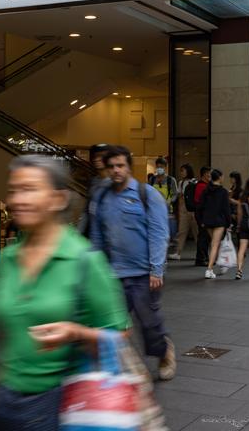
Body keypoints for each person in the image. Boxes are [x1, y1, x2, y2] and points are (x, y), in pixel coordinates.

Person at [0, 155, 131, 429]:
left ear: (58, 198)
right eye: (14, 190)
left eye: (29, 189)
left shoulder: (85, 261)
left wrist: (75, 333)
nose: (17, 199)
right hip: (5, 398)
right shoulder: (6, 259)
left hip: (59, 403)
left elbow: (120, 333)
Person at [89, 145, 176, 381]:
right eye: (112, 167)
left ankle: (164, 351)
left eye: (120, 165)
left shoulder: (147, 195)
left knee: (149, 323)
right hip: (112, 274)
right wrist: (95, 270)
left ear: (129, 167)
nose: (116, 170)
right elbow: (97, 236)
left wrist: (156, 269)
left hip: (144, 273)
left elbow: (159, 234)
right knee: (113, 324)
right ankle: (129, 367)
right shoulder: (101, 196)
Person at [197, 169, 231, 279]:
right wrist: (229, 222)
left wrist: (201, 221)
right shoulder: (223, 192)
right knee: (215, 244)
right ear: (220, 177)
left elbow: (200, 207)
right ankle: (210, 269)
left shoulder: (206, 190)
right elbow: (226, 209)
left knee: (215, 244)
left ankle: (220, 264)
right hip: (219, 221)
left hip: (207, 221)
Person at [78, 143, 110, 236]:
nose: (97, 159)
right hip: (92, 232)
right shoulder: (94, 182)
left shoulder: (116, 183)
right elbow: (87, 210)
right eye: (95, 156)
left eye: (101, 156)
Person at [149, 157, 179, 253]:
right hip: (154, 211)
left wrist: (169, 201)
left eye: (161, 167)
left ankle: (165, 252)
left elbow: (175, 194)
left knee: (168, 234)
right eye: (157, 166)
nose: (159, 168)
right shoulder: (152, 179)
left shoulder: (171, 180)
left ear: (165, 167)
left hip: (167, 211)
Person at [169, 164, 198, 260]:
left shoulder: (194, 182)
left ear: (188, 171)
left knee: (196, 232)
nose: (181, 173)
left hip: (193, 210)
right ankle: (178, 252)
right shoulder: (181, 182)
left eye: (183, 171)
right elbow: (178, 195)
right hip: (183, 210)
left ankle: (200, 252)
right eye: (181, 171)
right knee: (182, 231)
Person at [194, 166, 212, 266]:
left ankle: (204, 257)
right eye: (209, 173)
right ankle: (200, 259)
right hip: (202, 214)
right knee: (203, 237)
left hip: (203, 213)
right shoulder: (201, 186)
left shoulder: (205, 185)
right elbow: (201, 202)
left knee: (204, 236)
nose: (211, 175)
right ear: (205, 174)